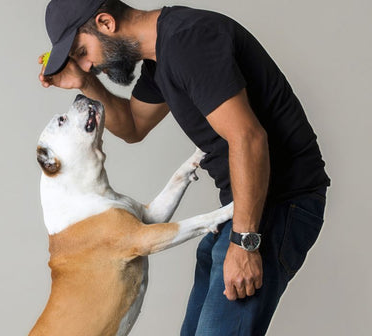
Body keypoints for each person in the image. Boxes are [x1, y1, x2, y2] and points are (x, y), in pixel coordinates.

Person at [37, 0, 331, 335]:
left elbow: (248, 137)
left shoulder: (188, 41)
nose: (87, 65)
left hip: (280, 203)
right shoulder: (161, 56)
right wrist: (83, 84)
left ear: (105, 23)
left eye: (82, 52)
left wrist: (245, 241)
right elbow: (133, 126)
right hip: (246, 206)